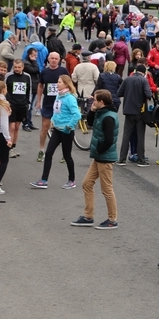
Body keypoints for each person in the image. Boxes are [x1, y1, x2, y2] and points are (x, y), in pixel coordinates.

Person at [70, 90, 119, 230]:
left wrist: (99, 149)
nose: (93, 102)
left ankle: (112, 219)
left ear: (101, 102)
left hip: (104, 158)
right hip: (99, 157)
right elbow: (90, 122)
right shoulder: (102, 113)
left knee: (107, 189)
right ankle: (88, 216)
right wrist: (91, 111)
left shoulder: (108, 117)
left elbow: (109, 139)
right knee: (87, 184)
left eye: (95, 100)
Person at [30, 75, 81, 189]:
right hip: (57, 130)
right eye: (58, 82)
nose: (57, 84)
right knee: (48, 153)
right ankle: (44, 180)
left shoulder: (70, 98)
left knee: (67, 155)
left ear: (66, 84)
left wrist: (69, 127)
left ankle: (71, 180)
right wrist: (53, 120)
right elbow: (56, 110)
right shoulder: (59, 95)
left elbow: (77, 114)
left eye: (59, 82)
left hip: (66, 131)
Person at [116, 65, 153, 167]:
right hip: (140, 111)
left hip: (128, 111)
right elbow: (148, 94)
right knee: (140, 135)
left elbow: (119, 92)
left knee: (126, 135)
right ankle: (141, 160)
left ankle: (121, 159)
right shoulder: (143, 80)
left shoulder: (128, 79)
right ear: (144, 72)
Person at [35, 52, 68, 163]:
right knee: (45, 127)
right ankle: (41, 150)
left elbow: (70, 85)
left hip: (61, 104)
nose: (54, 60)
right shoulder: (44, 71)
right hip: (48, 104)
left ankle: (65, 153)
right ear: (48, 59)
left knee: (63, 128)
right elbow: (40, 86)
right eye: (52, 58)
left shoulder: (63, 71)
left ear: (59, 60)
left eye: (56, 58)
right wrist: (38, 101)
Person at [5, 59, 31, 158]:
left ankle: (14, 146)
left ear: (22, 67)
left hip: (22, 104)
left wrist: (28, 103)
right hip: (12, 104)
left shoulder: (27, 76)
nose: (17, 69)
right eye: (15, 67)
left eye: (19, 67)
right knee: (11, 127)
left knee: (16, 127)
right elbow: (4, 88)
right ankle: (9, 147)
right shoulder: (9, 76)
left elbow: (29, 90)